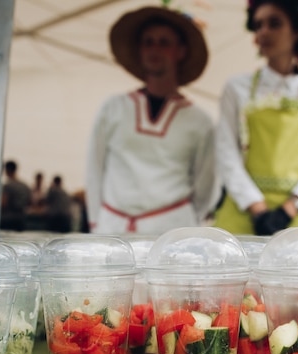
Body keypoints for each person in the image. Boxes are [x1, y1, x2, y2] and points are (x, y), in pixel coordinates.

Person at [85, 6, 219, 234]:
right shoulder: (113, 108)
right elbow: (94, 168)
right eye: (148, 42)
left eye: (164, 42)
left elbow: (206, 186)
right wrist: (96, 222)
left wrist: (186, 226)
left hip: (171, 231)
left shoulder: (200, 121)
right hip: (112, 227)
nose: (154, 49)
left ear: (181, 51)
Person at [213, 0, 298, 235]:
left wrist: (289, 210)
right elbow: (226, 153)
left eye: (274, 23)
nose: (264, 32)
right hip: (242, 213)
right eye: (258, 25)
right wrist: (257, 208)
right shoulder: (235, 88)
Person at [0, 160, 32, 231]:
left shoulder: (8, 186)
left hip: (7, 220)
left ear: (7, 170)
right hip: (21, 218)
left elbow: (3, 204)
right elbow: (30, 202)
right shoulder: (25, 186)